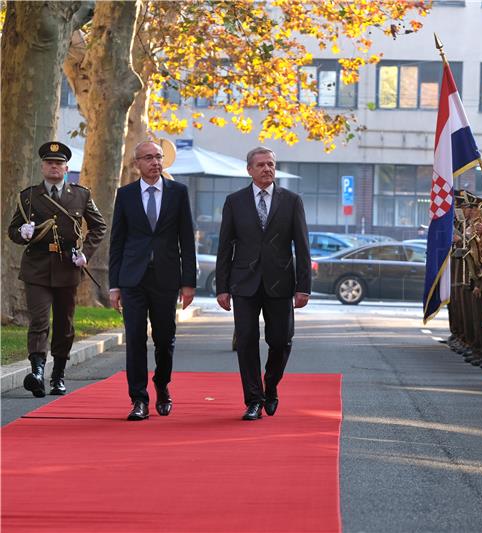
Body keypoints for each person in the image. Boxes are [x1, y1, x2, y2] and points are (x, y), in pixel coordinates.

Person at [215, 147, 311, 421]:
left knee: (281, 341)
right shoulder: (235, 201)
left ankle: (271, 383)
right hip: (243, 283)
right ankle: (253, 399)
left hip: (280, 283)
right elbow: (224, 246)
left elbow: (302, 247)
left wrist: (303, 287)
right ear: (250, 170)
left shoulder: (292, 201)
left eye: (271, 164)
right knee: (245, 341)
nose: (267, 168)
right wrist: (222, 287)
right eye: (261, 165)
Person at [8, 141, 107, 397]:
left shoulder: (81, 195)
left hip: (67, 267)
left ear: (66, 168)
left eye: (59, 163)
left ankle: (58, 375)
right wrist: (22, 232)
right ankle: (38, 372)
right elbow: (12, 231)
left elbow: (99, 227)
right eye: (50, 163)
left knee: (65, 324)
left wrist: (85, 254)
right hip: (37, 267)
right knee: (39, 320)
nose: (54, 167)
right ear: (42, 167)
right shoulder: (28, 196)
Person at [108, 140, 197, 421]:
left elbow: (187, 239)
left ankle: (162, 383)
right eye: (148, 158)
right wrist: (114, 285)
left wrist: (188, 282)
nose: (155, 162)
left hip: (166, 278)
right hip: (132, 279)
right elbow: (117, 241)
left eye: (158, 157)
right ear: (137, 164)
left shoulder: (178, 193)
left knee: (164, 339)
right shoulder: (125, 195)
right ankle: (139, 399)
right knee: (134, 338)